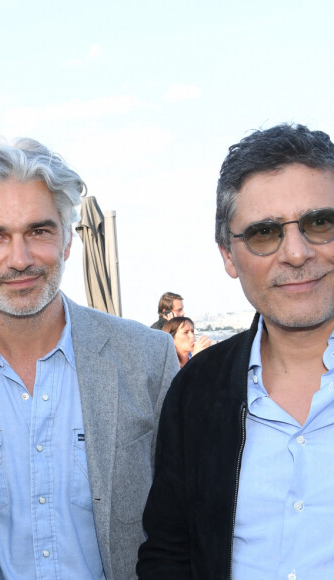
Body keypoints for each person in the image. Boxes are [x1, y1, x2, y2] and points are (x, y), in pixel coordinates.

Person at [0, 137, 179, 580]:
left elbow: (178, 518)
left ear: (65, 241)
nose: (19, 259)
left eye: (39, 231)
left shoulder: (146, 359)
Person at [137, 123, 334, 580]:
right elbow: (168, 553)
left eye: (319, 223)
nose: (297, 252)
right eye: (265, 232)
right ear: (228, 255)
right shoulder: (195, 392)